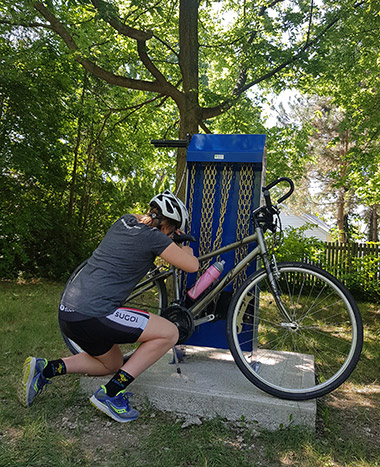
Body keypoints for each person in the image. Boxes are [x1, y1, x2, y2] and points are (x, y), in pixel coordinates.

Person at [19, 190, 199, 423]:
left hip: (69, 314)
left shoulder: (124, 220)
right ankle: (111, 394)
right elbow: (192, 265)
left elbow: (143, 223)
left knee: (111, 364)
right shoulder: (155, 238)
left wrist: (165, 231)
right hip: (94, 313)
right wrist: (184, 247)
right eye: (174, 230)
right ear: (169, 225)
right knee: (170, 332)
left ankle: (44, 369)